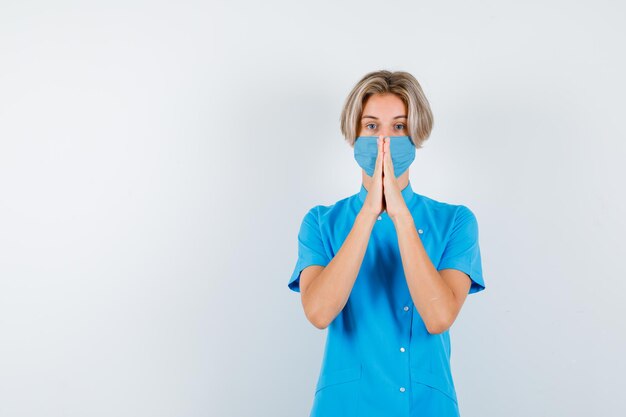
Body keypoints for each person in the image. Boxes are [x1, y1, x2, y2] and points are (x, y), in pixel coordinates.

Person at [287, 70, 486, 417]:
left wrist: (401, 215)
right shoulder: (320, 222)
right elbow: (318, 312)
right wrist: (367, 213)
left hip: (426, 406)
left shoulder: (455, 221)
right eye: (371, 126)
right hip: (345, 405)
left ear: (416, 135)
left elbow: (439, 316)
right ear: (354, 134)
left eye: (398, 127)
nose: (384, 140)